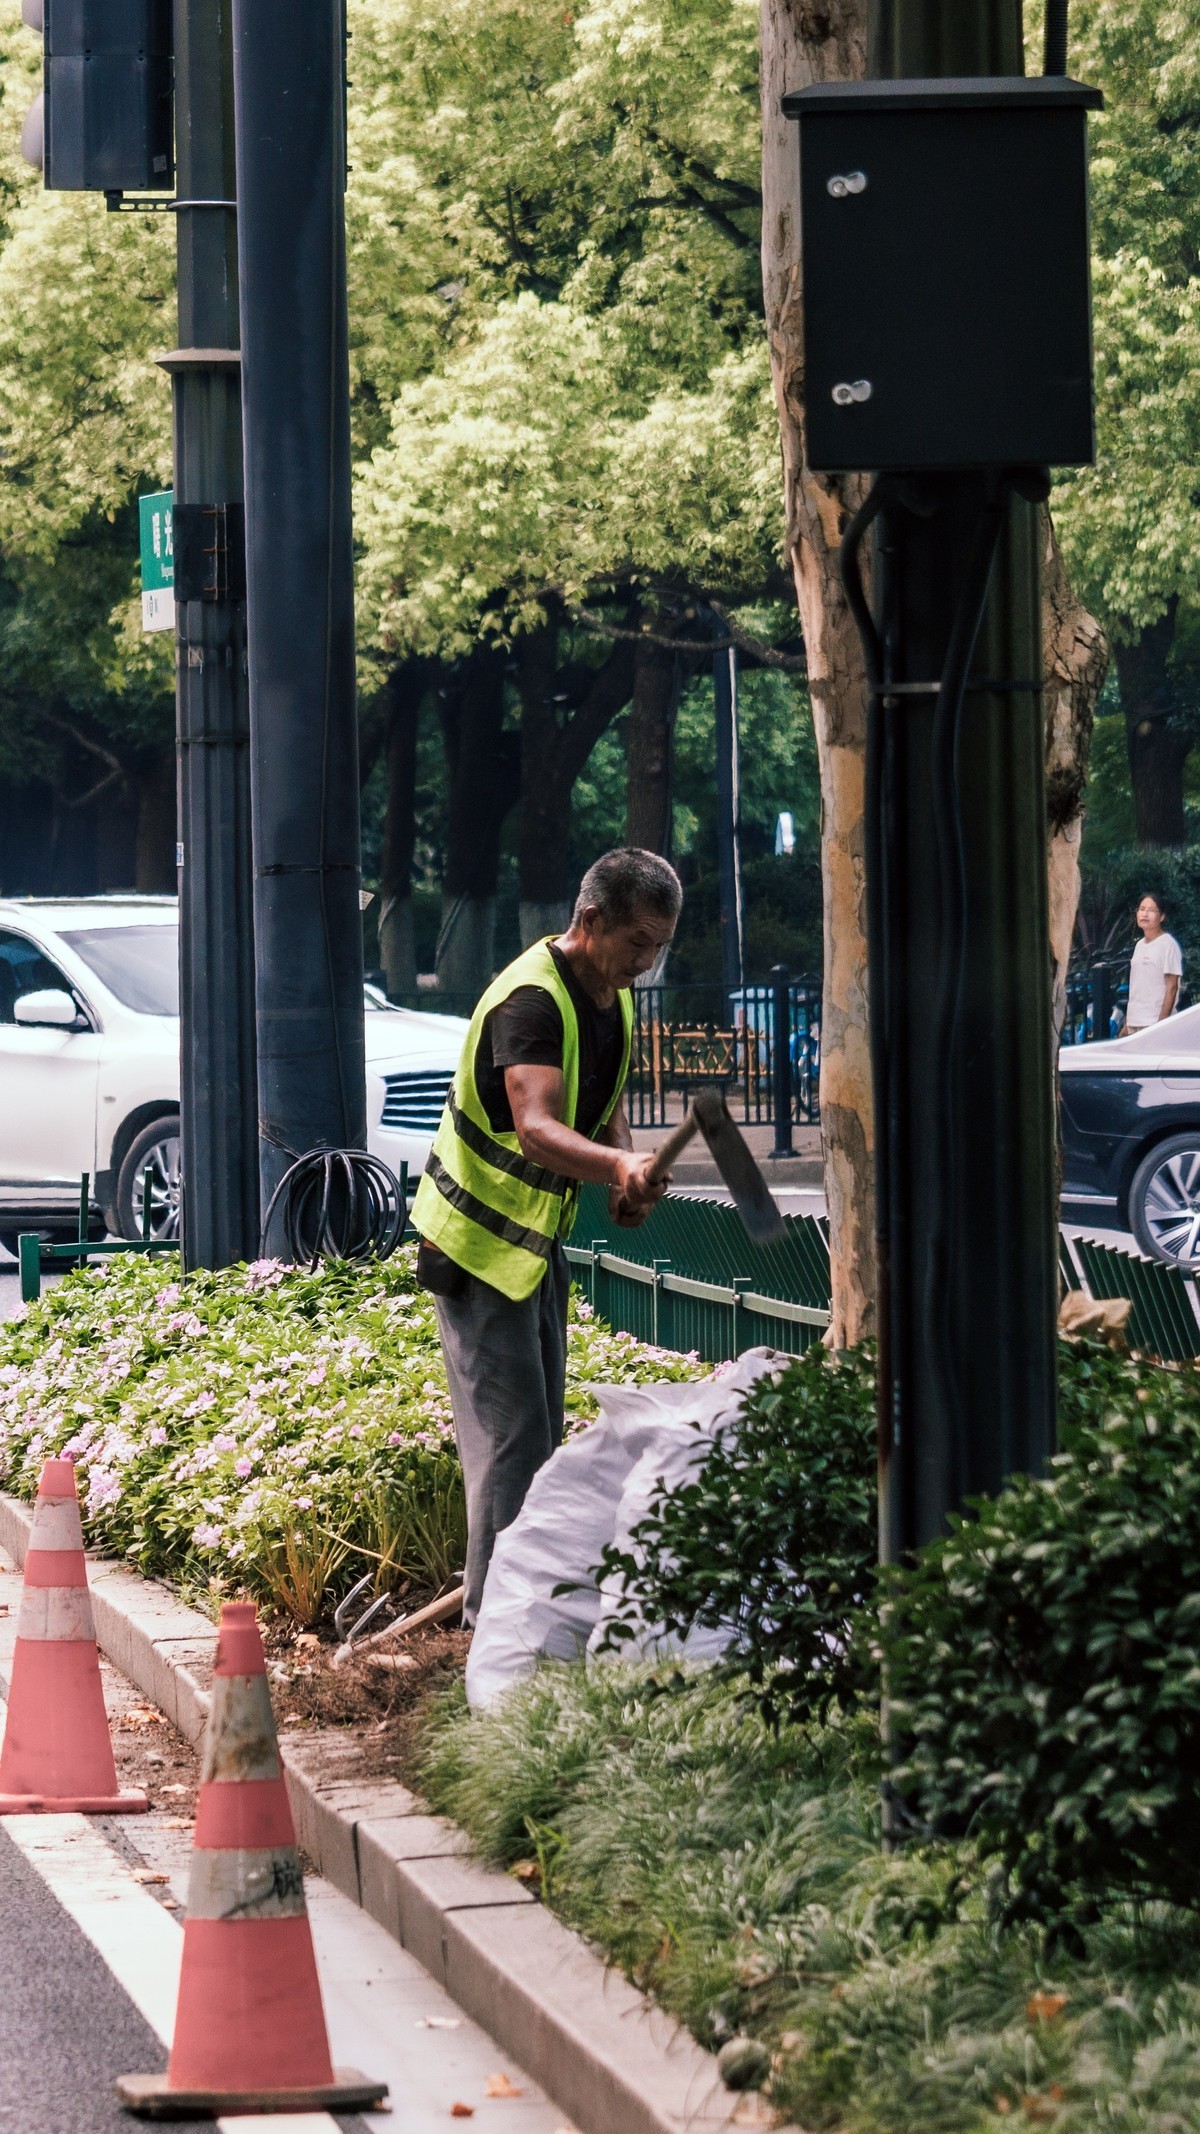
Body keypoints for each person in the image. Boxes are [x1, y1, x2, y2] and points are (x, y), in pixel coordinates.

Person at [410, 848, 683, 1623]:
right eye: (638, 941)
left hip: (529, 1247)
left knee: (535, 1436)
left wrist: (621, 1176)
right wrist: (618, 1164)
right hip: (474, 1247)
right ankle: (498, 1637)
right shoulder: (530, 1001)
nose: (648, 961)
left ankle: (515, 1626)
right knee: (512, 1445)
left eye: (660, 945)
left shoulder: (608, 990)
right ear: (589, 920)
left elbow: (601, 1100)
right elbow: (534, 1128)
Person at [1124, 892, 1183, 1034]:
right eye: (1141, 909)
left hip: (1154, 1024)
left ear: (1162, 917)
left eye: (1151, 910)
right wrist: (1128, 1022)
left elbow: (1172, 988)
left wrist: (1161, 1025)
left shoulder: (1168, 944)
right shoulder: (1139, 946)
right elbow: (1138, 987)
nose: (1145, 914)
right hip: (1134, 1023)